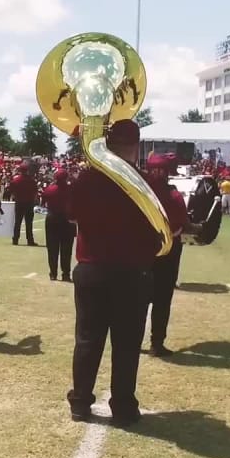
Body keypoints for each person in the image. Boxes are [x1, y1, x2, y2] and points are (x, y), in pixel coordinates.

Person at [67, 121, 163, 425]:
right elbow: (165, 228)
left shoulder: (85, 180)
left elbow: (68, 210)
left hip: (92, 269)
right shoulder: (146, 184)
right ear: (137, 147)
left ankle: (80, 403)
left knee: (87, 340)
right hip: (132, 274)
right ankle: (123, 407)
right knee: (126, 345)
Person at [140, 153, 197, 357]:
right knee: (162, 301)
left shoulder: (139, 193)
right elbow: (183, 223)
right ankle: (157, 343)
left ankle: (133, 341)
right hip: (168, 252)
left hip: (141, 252)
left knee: (137, 300)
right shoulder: (174, 196)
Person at [41, 169, 74, 282]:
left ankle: (53, 273)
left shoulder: (49, 189)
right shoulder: (71, 190)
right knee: (67, 248)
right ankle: (66, 273)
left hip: (52, 218)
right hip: (68, 219)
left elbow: (43, 202)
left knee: (52, 247)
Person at [9, 161, 38, 246]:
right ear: (27, 170)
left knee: (17, 222)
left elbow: (11, 191)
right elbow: (35, 192)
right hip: (29, 203)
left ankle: (15, 239)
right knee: (29, 223)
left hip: (19, 203)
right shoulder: (32, 181)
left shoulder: (15, 180)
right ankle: (30, 240)